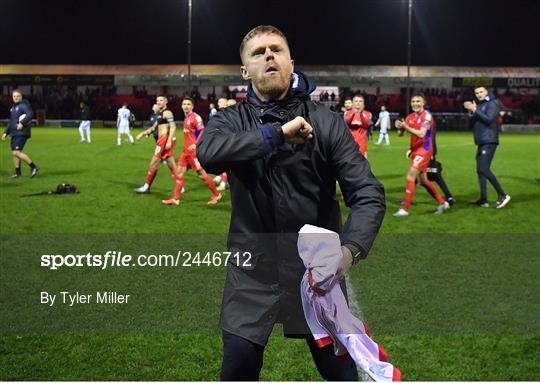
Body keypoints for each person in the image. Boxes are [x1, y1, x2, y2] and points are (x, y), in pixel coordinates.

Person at [197, 25, 385, 381]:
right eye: (258, 52)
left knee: (341, 374)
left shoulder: (327, 122)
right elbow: (208, 154)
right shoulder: (230, 120)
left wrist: (348, 253)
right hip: (251, 274)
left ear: (291, 62)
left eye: (276, 49)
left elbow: (368, 193)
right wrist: (276, 135)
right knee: (237, 368)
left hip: (318, 276)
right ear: (245, 71)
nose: (269, 56)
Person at [393, 93, 450, 217]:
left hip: (424, 150)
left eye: (418, 101)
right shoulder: (410, 117)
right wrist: (400, 127)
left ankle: (405, 209)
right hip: (415, 151)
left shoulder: (427, 117)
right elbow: (401, 134)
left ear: (423, 103)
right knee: (424, 181)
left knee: (410, 177)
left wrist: (405, 127)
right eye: (413, 101)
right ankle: (442, 202)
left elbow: (421, 134)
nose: (415, 104)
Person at [464, 86, 511, 208]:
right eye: (476, 93)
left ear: (486, 92)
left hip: (489, 140)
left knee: (483, 169)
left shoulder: (493, 103)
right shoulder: (480, 105)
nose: (479, 94)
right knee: (480, 170)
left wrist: (475, 109)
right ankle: (483, 199)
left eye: (481, 92)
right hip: (482, 141)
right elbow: (473, 122)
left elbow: (489, 119)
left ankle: (503, 195)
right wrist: (471, 111)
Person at [169, 97, 221, 205]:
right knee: (178, 173)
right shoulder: (187, 118)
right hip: (185, 152)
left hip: (193, 153)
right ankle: (175, 199)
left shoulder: (195, 118)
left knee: (202, 174)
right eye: (184, 104)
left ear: (192, 106)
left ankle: (216, 194)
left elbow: (202, 130)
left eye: (188, 104)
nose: (186, 106)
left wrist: (196, 144)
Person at [133, 95, 183, 202]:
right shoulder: (160, 114)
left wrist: (169, 140)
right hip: (162, 140)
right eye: (157, 100)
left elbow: (173, 126)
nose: (159, 102)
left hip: (164, 140)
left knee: (153, 163)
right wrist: (142, 134)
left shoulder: (167, 112)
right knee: (171, 164)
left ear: (166, 101)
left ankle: (146, 187)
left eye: (161, 100)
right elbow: (153, 128)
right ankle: (180, 186)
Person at [2, 89, 39, 178]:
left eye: (18, 96)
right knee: (14, 153)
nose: (16, 98)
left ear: (21, 97)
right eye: (14, 96)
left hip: (22, 133)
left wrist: (22, 123)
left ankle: (34, 167)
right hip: (15, 133)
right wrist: (6, 132)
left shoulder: (23, 105)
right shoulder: (13, 108)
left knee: (16, 152)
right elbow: (12, 122)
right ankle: (17, 173)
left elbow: (30, 114)